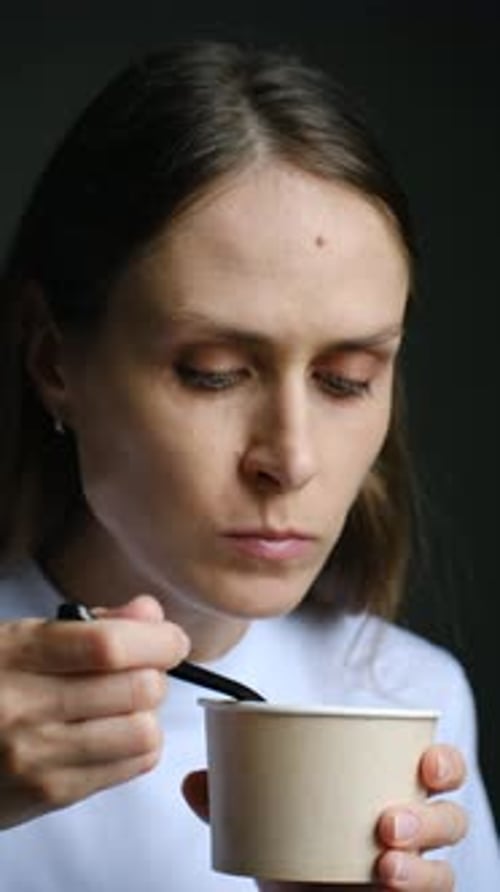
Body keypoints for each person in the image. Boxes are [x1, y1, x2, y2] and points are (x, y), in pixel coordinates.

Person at [0, 39, 498, 892]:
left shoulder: (410, 696)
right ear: (55, 361)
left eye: (347, 381)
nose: (293, 460)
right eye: (214, 373)